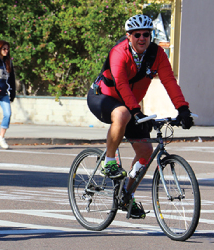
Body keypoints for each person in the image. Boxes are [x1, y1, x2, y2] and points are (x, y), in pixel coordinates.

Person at [87, 14, 194, 218]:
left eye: (147, 34)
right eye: (137, 35)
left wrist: (183, 109)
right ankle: (108, 161)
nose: (142, 38)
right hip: (103, 97)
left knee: (145, 151)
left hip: (130, 105)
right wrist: (136, 111)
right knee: (122, 113)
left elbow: (169, 82)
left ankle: (127, 195)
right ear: (129, 36)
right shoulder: (118, 52)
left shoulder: (157, 55)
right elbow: (121, 83)